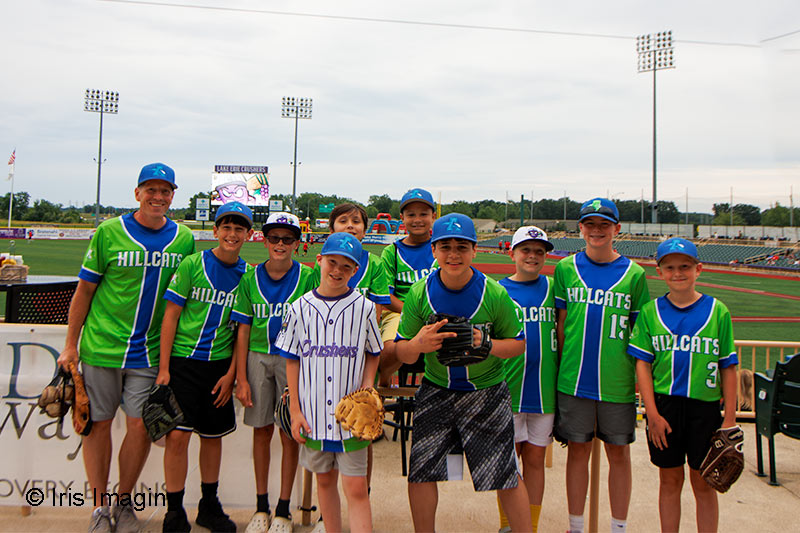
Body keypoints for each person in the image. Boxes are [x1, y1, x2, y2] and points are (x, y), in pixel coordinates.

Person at [57, 163, 195, 533]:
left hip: (148, 352)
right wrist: (70, 345)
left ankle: (124, 501)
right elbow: (85, 290)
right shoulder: (109, 231)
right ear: (137, 193)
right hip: (102, 346)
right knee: (97, 426)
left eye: (165, 191)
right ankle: (99, 508)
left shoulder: (183, 239)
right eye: (151, 189)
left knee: (140, 427)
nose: (158, 197)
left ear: (172, 196)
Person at [395, 213, 532, 533]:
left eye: (462, 247)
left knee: (505, 473)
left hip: (486, 390)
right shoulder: (419, 293)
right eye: (445, 247)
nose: (453, 254)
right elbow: (402, 352)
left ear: (474, 250)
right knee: (422, 472)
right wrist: (418, 344)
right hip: (437, 388)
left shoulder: (493, 293)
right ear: (433, 250)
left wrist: (487, 343)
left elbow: (518, 344)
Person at [275, 232, 383, 533]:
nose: (337, 270)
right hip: (313, 415)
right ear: (319, 260)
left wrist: (368, 387)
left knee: (356, 487)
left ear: (356, 271)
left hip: (352, 418)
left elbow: (374, 351)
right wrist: (295, 411)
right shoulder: (299, 307)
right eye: (332, 262)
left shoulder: (364, 308)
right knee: (323, 480)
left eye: (346, 266)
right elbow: (292, 359)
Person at [553, 198, 650, 533]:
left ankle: (618, 527)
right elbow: (562, 324)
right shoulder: (565, 269)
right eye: (590, 224)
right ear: (581, 228)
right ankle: (575, 526)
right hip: (574, 379)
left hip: (616, 382)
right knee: (577, 452)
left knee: (619, 455)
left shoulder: (635, 274)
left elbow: (639, 333)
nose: (597, 231)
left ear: (616, 229)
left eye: (604, 225)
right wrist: (562, 368)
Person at [628, 238, 738, 532]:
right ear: (660, 272)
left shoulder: (718, 311)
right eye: (670, 267)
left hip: (705, 408)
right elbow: (643, 365)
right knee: (669, 480)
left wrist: (729, 419)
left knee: (704, 482)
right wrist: (651, 413)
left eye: (685, 267)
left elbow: (728, 366)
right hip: (665, 407)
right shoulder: (650, 312)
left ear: (698, 269)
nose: (678, 273)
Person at [157, 202, 254, 533]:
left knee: (212, 438)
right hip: (184, 363)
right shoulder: (192, 264)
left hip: (219, 368)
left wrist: (232, 375)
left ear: (248, 235)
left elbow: (242, 331)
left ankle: (208, 506)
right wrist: (164, 369)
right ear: (215, 231)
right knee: (178, 437)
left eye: (239, 228)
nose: (232, 234)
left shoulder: (247, 276)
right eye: (226, 227)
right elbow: (171, 316)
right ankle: (174, 511)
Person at [231, 212, 316, 533]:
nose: (280, 244)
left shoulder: (307, 277)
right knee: (261, 430)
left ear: (296, 243)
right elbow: (243, 329)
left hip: (293, 361)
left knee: (289, 432)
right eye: (274, 238)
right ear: (264, 241)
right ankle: (261, 506)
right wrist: (241, 377)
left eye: (287, 239)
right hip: (257, 356)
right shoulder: (249, 278)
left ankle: (283, 508)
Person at [497, 226, 557, 533]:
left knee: (535, 460)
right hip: (508, 390)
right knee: (508, 463)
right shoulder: (498, 290)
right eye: (526, 250)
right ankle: (508, 525)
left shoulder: (553, 288)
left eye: (539, 251)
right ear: (512, 253)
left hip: (543, 391)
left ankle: (529, 526)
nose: (532, 256)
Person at [378, 188, 438, 386]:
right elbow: (386, 296)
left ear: (433, 216)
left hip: (437, 313)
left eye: (423, 214)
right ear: (402, 218)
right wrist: (413, 313)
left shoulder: (441, 248)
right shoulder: (392, 252)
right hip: (399, 312)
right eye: (411, 215)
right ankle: (384, 384)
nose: (417, 219)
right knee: (388, 349)